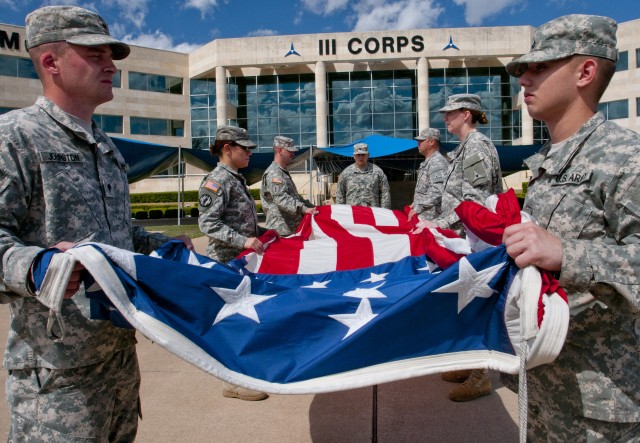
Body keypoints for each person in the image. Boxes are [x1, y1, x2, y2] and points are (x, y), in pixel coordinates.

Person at [0, 5, 194, 441]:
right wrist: (37, 266)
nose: (111, 65)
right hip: (56, 377)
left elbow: (119, 237)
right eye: (94, 53)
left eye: (110, 54)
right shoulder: (14, 137)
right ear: (50, 62)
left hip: (118, 363)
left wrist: (165, 247)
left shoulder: (105, 146)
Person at [502, 14, 640, 441]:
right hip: (544, 390)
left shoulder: (625, 158)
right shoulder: (547, 161)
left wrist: (568, 254)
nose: (524, 79)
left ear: (585, 71)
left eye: (540, 67)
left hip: (598, 405)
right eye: (524, 70)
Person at [414, 94, 503, 402]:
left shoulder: (476, 147)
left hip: (481, 240)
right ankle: (471, 363)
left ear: (466, 114)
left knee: (480, 302)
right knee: (469, 302)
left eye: (450, 113)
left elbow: (474, 203)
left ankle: (482, 375)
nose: (445, 119)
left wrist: (437, 224)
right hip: (467, 237)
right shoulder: (463, 149)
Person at [197, 125, 269, 401]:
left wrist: (262, 235)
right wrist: (244, 241)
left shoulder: (236, 179)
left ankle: (243, 373)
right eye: (244, 148)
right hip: (226, 263)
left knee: (245, 319)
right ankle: (233, 382)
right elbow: (208, 223)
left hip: (241, 262)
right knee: (234, 323)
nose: (250, 152)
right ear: (227, 149)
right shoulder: (217, 181)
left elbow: (243, 220)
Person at [260, 136, 317, 236]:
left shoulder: (282, 172)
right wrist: (304, 209)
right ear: (280, 150)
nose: (293, 154)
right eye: (289, 151)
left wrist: (313, 207)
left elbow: (295, 197)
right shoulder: (274, 173)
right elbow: (280, 198)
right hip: (281, 230)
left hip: (290, 229)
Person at [408, 128, 449, 221]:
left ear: (431, 142)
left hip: (432, 218)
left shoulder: (437, 162)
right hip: (424, 217)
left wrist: (418, 207)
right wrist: (415, 204)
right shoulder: (429, 162)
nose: (418, 144)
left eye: (421, 141)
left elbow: (437, 191)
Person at [335, 143, 391, 208]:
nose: (360, 157)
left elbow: (385, 194)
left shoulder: (378, 172)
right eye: (358, 154)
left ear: (368, 155)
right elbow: (340, 195)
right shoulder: (346, 173)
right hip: (352, 214)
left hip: (372, 213)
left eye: (363, 154)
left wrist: (384, 212)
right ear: (354, 156)